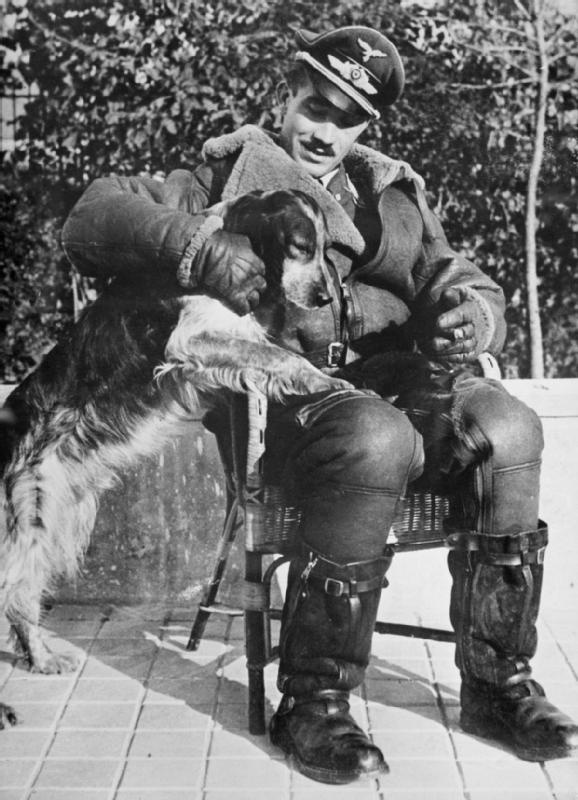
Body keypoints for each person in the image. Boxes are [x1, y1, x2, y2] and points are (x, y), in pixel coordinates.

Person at [61, 25, 578, 784]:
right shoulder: (224, 175)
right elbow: (91, 218)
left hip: (404, 384)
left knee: (509, 425)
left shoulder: (390, 193)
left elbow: (454, 275)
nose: (324, 131)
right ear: (286, 96)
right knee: (377, 436)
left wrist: (474, 311)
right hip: (290, 406)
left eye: (347, 118)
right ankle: (315, 700)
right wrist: (197, 245)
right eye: (315, 107)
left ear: (367, 127)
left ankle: (496, 682)